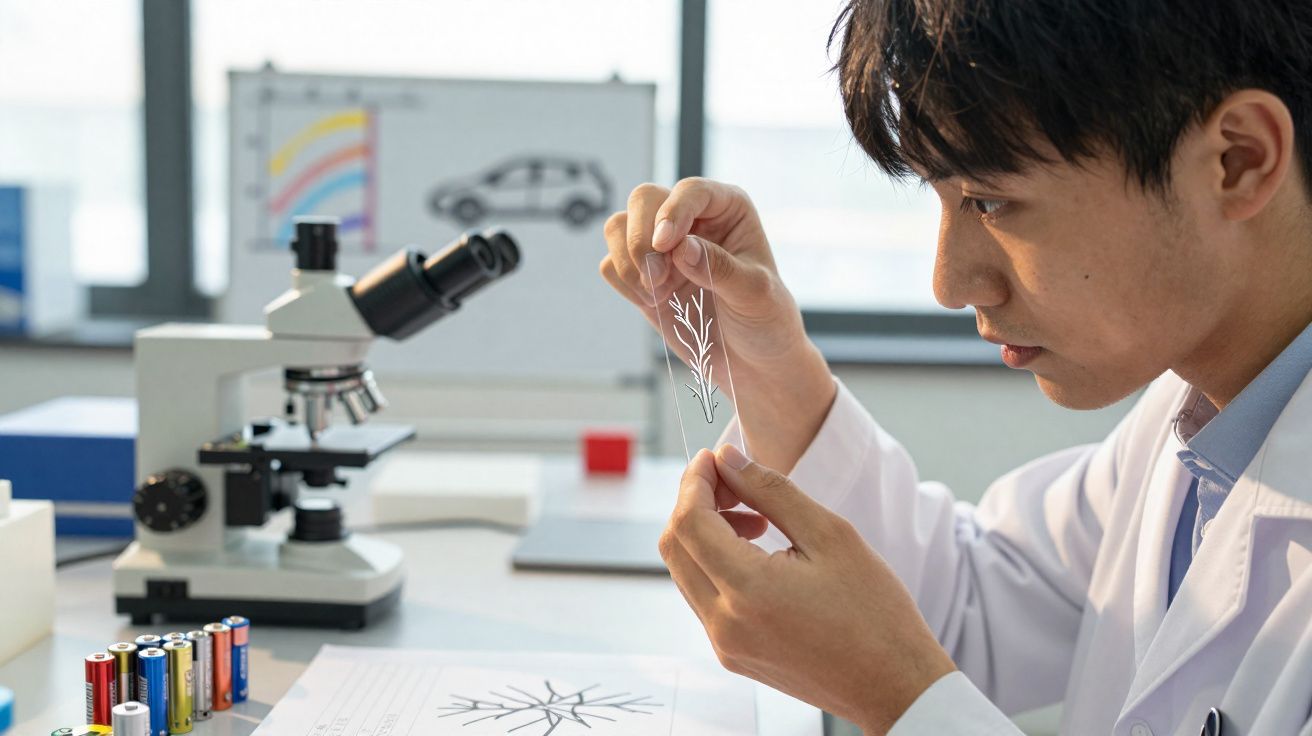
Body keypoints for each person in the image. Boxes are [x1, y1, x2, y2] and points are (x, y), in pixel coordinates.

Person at [598, 0, 1312, 733]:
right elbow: (966, 606)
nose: (947, 282)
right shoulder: (1195, 420)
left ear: (1238, 160)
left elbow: (920, 653)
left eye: (993, 201)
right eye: (941, 199)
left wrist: (901, 700)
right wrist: (768, 360)